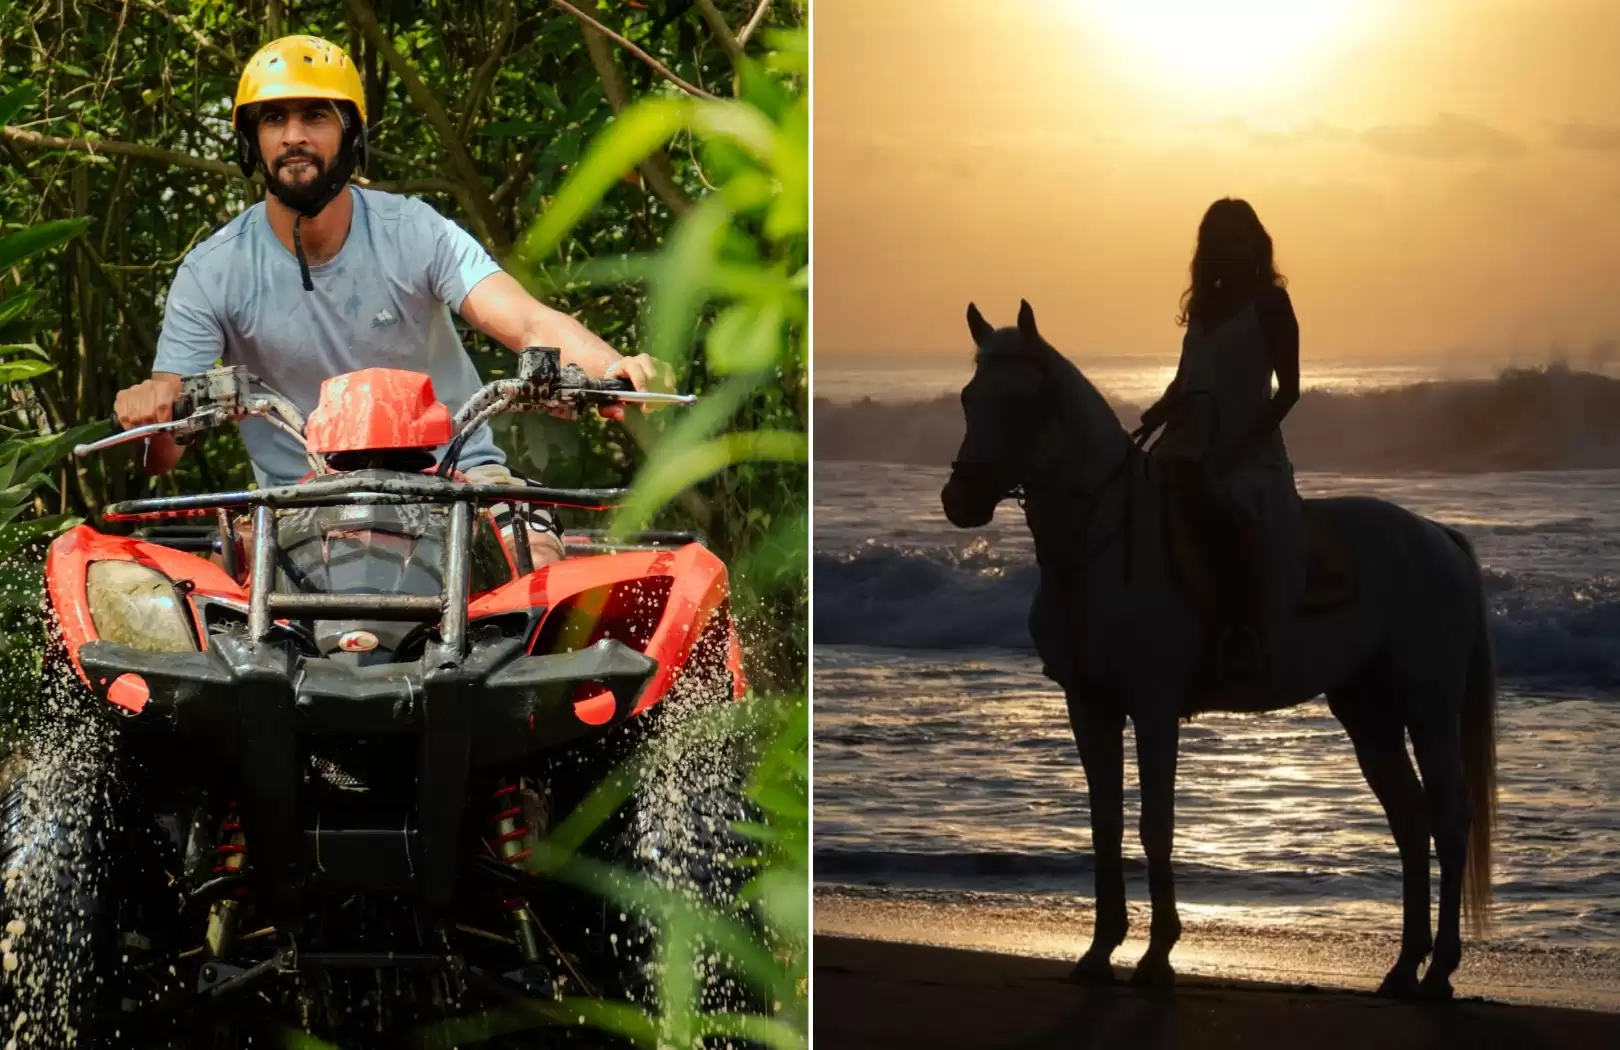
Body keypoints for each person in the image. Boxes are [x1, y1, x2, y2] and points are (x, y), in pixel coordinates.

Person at [112, 35, 669, 567]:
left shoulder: (416, 231)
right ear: (251, 141)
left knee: (534, 566)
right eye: (274, 119)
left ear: (351, 132)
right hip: (295, 504)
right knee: (208, 605)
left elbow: (526, 321)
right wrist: (153, 408)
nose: (292, 136)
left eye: (315, 116)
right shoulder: (213, 270)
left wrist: (611, 367)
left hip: (457, 482)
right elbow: (161, 454)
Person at [1134, 198, 1307, 685]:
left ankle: (1242, 630)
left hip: (1247, 455)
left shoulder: (1270, 303)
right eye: (1219, 241)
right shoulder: (1204, 306)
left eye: (1238, 239)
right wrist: (1160, 410)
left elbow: (1289, 390)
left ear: (1256, 245)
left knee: (1222, 509)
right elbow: (1186, 379)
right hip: (1186, 443)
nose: (1229, 250)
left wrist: (1240, 449)